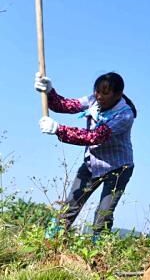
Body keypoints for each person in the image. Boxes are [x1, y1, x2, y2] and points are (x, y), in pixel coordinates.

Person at [34, 71, 136, 236]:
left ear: (118, 95)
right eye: (97, 91)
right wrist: (49, 92)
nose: (99, 96)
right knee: (70, 206)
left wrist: (59, 129)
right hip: (92, 163)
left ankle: (98, 256)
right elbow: (65, 105)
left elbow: (94, 137)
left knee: (103, 215)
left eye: (105, 92)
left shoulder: (124, 115)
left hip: (118, 168)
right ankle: (49, 244)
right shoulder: (92, 100)